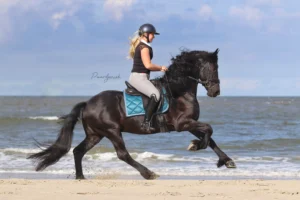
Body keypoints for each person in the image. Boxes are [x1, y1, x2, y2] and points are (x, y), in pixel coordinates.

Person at [128, 23, 168, 132]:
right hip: (138, 78)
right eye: (152, 34)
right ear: (146, 34)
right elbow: (148, 65)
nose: (154, 36)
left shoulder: (143, 46)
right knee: (155, 95)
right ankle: (146, 123)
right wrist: (161, 68)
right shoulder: (144, 47)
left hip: (142, 77)